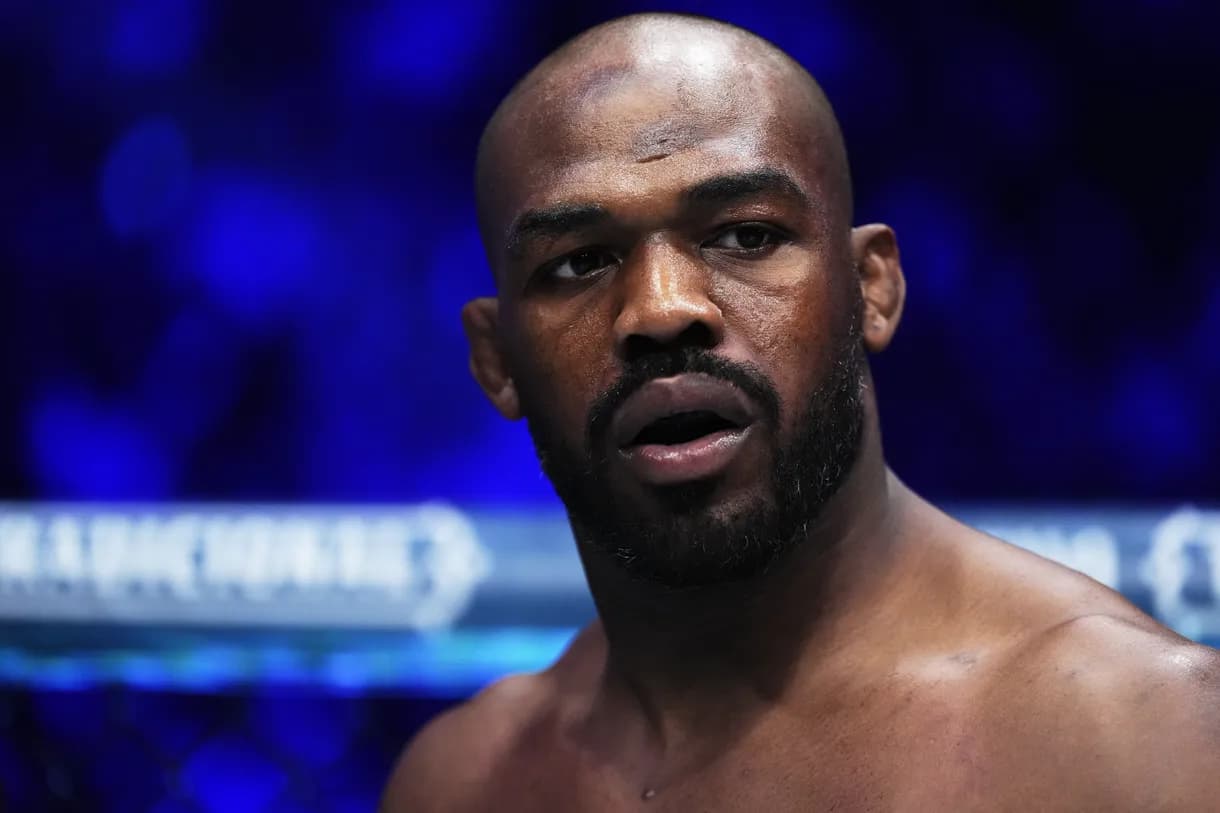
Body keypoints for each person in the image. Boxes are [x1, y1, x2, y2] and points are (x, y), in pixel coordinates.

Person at [381, 12, 1220, 811]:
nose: (663, 308)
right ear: (497, 359)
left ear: (871, 289)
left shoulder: (1143, 741)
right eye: (579, 262)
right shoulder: (461, 783)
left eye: (745, 235)